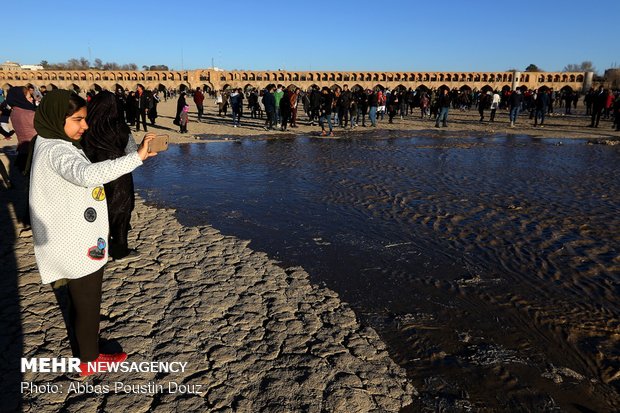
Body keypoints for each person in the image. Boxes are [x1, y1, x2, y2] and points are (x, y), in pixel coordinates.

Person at [28, 89, 157, 376]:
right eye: (77, 120)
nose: (85, 126)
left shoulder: (49, 140)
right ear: (56, 117)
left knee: (80, 301)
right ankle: (89, 360)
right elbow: (85, 175)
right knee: (88, 303)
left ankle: (86, 349)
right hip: (76, 242)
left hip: (71, 235)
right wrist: (138, 157)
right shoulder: (56, 149)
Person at [81, 91, 140, 261]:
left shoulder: (86, 127)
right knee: (120, 212)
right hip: (118, 177)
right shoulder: (119, 127)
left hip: (93, 175)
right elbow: (132, 152)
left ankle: (99, 249)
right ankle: (120, 249)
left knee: (98, 213)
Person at [7, 85, 37, 173]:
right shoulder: (29, 114)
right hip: (33, 150)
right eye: (29, 97)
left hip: (22, 150)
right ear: (21, 98)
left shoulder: (14, 112)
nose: (32, 98)